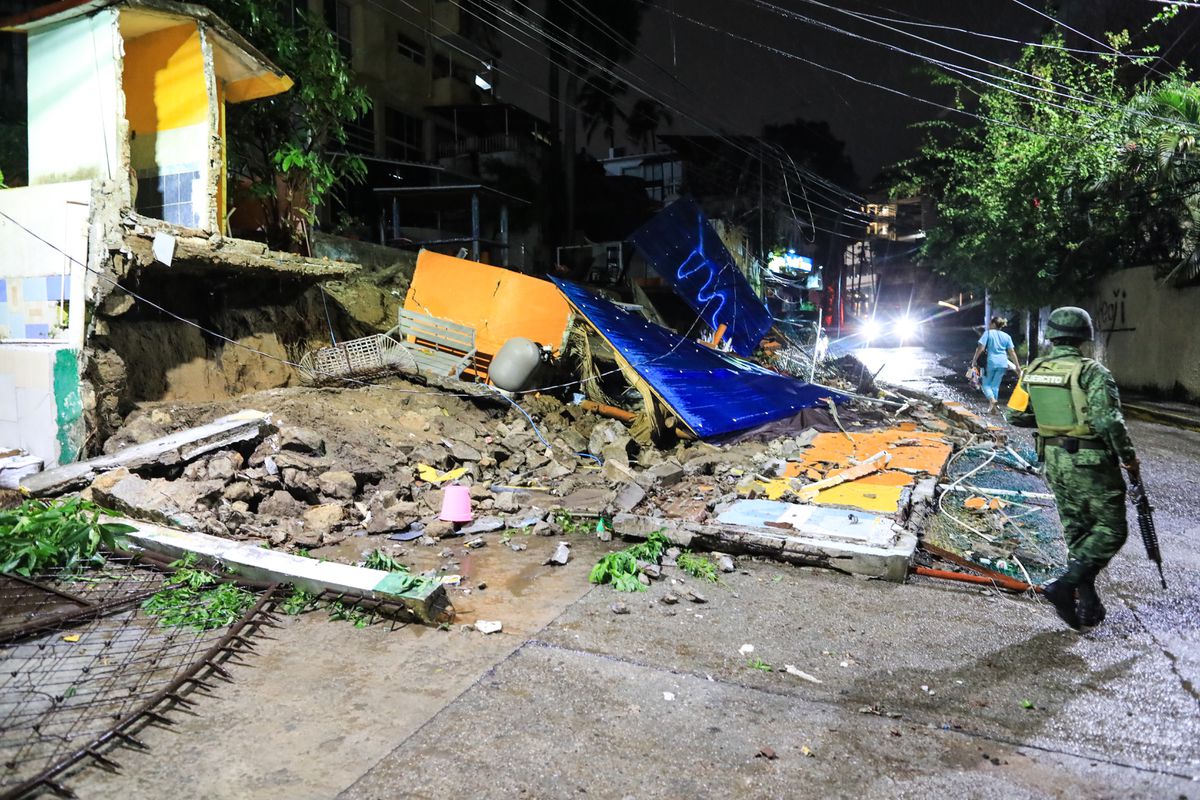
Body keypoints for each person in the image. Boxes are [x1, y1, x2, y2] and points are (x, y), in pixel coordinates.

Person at [1007, 307, 1140, 630]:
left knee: (1077, 531)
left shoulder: (1034, 370)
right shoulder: (1091, 372)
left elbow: (1014, 416)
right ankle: (1064, 586)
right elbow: (1107, 420)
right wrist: (1128, 458)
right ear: (1084, 336)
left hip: (1054, 460)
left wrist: (1054, 423)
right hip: (1091, 461)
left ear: (1051, 335)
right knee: (1111, 530)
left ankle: (1086, 605)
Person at [972, 316, 1022, 414]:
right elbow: (1012, 352)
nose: (989, 325)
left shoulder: (988, 333)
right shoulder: (1007, 336)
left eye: (991, 323)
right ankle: (993, 408)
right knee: (995, 385)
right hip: (1003, 363)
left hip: (990, 362)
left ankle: (992, 400)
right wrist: (1017, 366)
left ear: (994, 324)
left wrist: (974, 360)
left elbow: (980, 349)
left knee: (985, 384)